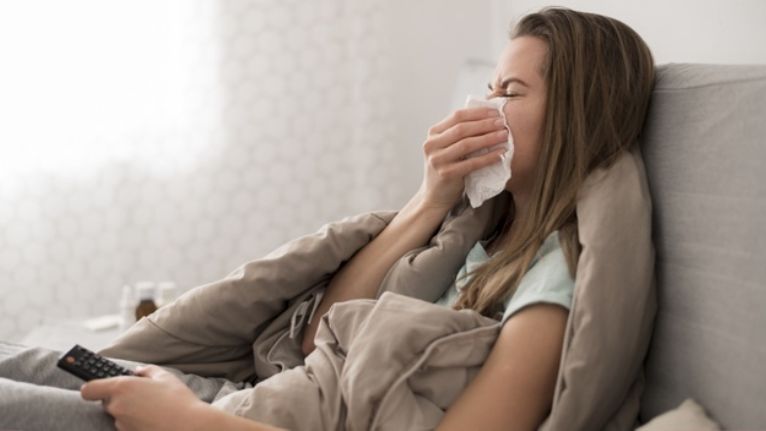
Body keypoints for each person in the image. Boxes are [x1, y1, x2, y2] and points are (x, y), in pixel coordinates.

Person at [2, 6, 656, 431]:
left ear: (576, 115)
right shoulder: (479, 232)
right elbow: (320, 336)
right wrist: (430, 200)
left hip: (240, 420)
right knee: (23, 358)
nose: (481, 110)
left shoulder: (551, 282)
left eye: (509, 93)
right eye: (488, 89)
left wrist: (191, 420)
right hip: (254, 401)